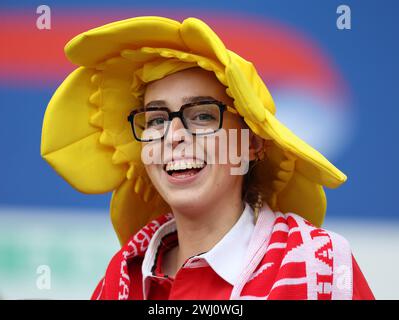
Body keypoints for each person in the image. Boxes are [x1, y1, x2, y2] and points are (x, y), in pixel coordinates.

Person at [41, 16, 374, 300]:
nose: (173, 135)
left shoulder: (323, 270)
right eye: (156, 120)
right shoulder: (122, 279)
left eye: (201, 115)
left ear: (252, 144)